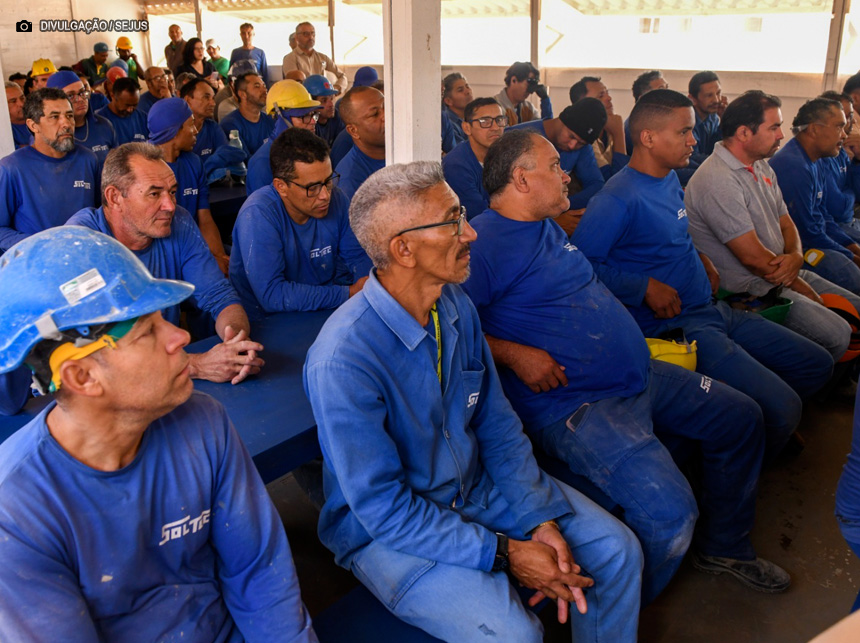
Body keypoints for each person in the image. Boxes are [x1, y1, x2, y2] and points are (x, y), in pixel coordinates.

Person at [304, 160, 644, 642]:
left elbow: (495, 422)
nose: (471, 233)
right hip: (392, 534)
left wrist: (537, 517)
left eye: (461, 214)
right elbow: (383, 509)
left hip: (477, 488)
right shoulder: (343, 360)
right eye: (451, 222)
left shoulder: (451, 303)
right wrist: (505, 551)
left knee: (617, 550)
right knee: (515, 635)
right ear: (403, 249)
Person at [463, 128, 785, 599]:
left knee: (740, 417)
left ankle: (724, 546)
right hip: (580, 403)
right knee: (670, 516)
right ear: (521, 178)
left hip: (638, 374)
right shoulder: (483, 243)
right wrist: (514, 353)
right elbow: (452, 328)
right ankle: (620, 610)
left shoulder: (545, 226)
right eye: (554, 165)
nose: (567, 174)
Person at [0, 226, 317, 642]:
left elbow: (259, 573)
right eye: (149, 332)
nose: (182, 336)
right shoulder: (17, 512)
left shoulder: (204, 422)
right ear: (82, 376)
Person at [573, 89, 834, 463]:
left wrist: (703, 259)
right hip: (680, 327)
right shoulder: (617, 199)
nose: (694, 140)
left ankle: (753, 443)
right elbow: (582, 267)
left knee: (816, 363)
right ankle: (738, 461)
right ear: (647, 138)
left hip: (712, 307)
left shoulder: (667, 179)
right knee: (783, 406)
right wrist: (642, 286)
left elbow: (673, 239)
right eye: (684, 132)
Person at [66, 143, 263, 385]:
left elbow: (218, 295)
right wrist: (196, 365)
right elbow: (97, 353)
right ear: (114, 197)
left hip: (165, 373)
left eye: (172, 191)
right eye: (154, 193)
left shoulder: (178, 221)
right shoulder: (79, 243)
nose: (169, 205)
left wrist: (236, 344)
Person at [685, 90, 857, 363]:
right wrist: (804, 286)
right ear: (743, 133)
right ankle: (815, 388)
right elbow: (754, 260)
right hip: (757, 289)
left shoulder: (761, 166)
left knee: (856, 310)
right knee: (839, 333)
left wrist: (796, 257)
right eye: (774, 127)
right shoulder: (718, 179)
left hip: (786, 271)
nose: (781, 135)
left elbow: (787, 223)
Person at [231, 127, 371, 318]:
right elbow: (273, 296)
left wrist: (368, 286)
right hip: (267, 320)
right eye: (312, 187)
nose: (325, 195)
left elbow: (357, 259)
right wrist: (348, 293)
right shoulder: (258, 214)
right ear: (281, 186)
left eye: (329, 181)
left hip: (323, 306)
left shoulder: (337, 199)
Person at [770, 97, 860, 296]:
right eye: (839, 127)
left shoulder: (815, 160)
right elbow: (808, 234)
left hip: (815, 241)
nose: (844, 135)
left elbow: (823, 216)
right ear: (814, 129)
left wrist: (850, 246)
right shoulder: (794, 166)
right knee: (852, 277)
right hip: (801, 252)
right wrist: (850, 256)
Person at [0, 88, 100, 252]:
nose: (66, 124)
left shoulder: (88, 159)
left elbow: (99, 213)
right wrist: (44, 245)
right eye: (54, 117)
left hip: (83, 257)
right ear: (33, 125)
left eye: (69, 115)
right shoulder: (11, 168)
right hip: (38, 265)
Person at [147, 98, 230, 274]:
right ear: (175, 132)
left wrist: (219, 258)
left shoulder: (194, 162)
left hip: (193, 244)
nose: (195, 132)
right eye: (191, 125)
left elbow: (204, 218)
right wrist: (205, 261)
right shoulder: (143, 166)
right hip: (157, 255)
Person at [510, 98, 607, 220]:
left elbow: (596, 185)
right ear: (562, 120)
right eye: (571, 136)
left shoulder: (582, 148)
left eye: (580, 143)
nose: (572, 145)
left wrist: (562, 206)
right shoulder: (519, 137)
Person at [246, 80, 322, 194]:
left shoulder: (307, 151)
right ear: (281, 117)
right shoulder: (263, 162)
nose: (312, 121)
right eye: (304, 116)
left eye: (313, 115)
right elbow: (267, 209)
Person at [441, 97, 505, 219]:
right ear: (466, 128)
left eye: (499, 120)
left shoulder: (505, 156)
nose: (496, 127)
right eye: (485, 121)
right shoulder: (456, 166)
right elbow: (480, 216)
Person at [46, 70, 117, 167]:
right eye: (70, 95)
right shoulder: (47, 135)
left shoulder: (104, 126)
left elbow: (118, 167)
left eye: (82, 92)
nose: (80, 99)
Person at [819, 90, 860, 243]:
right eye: (848, 116)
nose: (853, 121)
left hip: (851, 221)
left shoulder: (841, 150)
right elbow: (839, 209)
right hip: (836, 227)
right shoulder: (821, 156)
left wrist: (858, 160)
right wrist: (850, 193)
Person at [569, 76, 629, 180]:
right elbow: (615, 182)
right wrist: (619, 135)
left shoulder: (610, 126)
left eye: (607, 93)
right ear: (583, 105)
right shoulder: (582, 137)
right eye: (601, 96)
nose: (609, 98)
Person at [334, 86, 385, 200]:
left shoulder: (400, 148)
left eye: (386, 107)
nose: (386, 116)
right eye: (374, 114)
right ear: (353, 131)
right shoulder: (349, 182)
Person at [219, 69, 274, 161]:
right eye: (257, 86)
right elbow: (245, 162)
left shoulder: (270, 119)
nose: (264, 90)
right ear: (242, 94)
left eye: (264, 86)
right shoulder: (230, 125)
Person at [282, 22, 347, 94]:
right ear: (297, 37)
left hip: (322, 98)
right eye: (306, 34)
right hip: (303, 98)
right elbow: (294, 85)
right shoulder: (290, 58)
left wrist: (337, 87)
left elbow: (342, 76)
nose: (311, 37)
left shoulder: (323, 58)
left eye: (313, 34)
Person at [624, 70, 669, 152]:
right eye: (661, 90)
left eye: (667, 88)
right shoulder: (634, 128)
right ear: (643, 99)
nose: (669, 94)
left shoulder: (659, 121)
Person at [495, 61, 552, 126]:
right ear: (514, 80)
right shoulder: (495, 106)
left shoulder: (529, 108)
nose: (531, 91)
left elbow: (547, 128)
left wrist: (545, 100)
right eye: (529, 84)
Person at [96, 77, 149, 145]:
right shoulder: (99, 120)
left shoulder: (143, 118)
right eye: (127, 105)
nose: (130, 109)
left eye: (135, 105)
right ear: (113, 96)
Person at [688, 71, 727, 164]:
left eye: (718, 93)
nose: (716, 100)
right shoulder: (687, 121)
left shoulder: (713, 117)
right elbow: (693, 157)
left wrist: (724, 120)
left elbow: (716, 148)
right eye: (709, 95)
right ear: (692, 99)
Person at [304, 74, 344, 146]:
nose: (331, 104)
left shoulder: (336, 116)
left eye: (331, 98)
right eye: (324, 100)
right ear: (311, 104)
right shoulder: (308, 124)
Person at [229, 23, 269, 88]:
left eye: (249, 33)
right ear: (240, 35)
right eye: (243, 33)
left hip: (256, 88)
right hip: (240, 88)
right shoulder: (235, 53)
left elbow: (265, 74)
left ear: (253, 34)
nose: (246, 36)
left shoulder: (260, 53)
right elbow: (230, 74)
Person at [442, 72, 472, 144]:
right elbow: (462, 151)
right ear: (448, 101)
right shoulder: (449, 123)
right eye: (460, 90)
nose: (468, 91)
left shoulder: (472, 117)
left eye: (467, 86)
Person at [5, 81, 30, 148]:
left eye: (22, 98)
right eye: (13, 101)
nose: (21, 104)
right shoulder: (4, 131)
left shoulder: (39, 119)